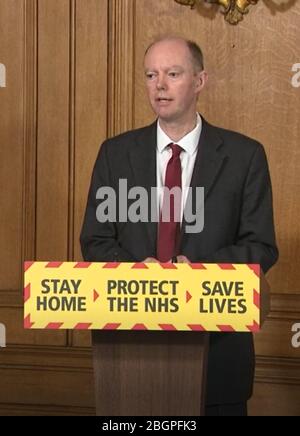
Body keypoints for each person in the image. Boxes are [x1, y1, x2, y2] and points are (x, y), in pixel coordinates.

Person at [80, 36, 278, 416]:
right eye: (151, 75)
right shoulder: (116, 153)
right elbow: (96, 239)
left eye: (172, 74)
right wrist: (137, 272)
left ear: (199, 81)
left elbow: (260, 245)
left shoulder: (244, 156)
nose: (159, 85)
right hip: (129, 355)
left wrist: (198, 274)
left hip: (218, 357)